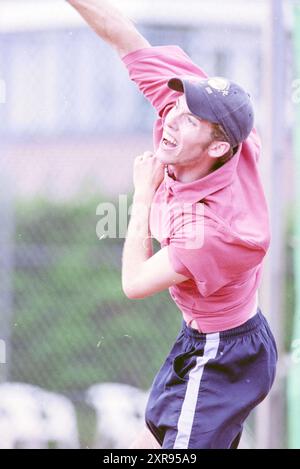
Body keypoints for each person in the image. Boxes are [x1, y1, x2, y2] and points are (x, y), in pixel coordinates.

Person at [67, 0, 278, 449]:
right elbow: (122, 33)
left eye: (189, 119)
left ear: (219, 148)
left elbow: (136, 282)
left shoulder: (219, 228)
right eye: (177, 106)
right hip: (201, 340)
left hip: (225, 355)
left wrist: (143, 192)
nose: (170, 120)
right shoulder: (203, 124)